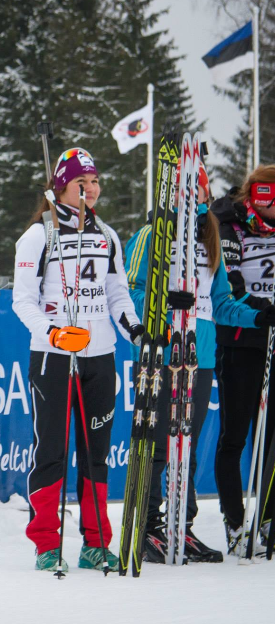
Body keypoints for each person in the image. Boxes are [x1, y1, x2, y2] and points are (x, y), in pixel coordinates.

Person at [124, 160, 274, 564]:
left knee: (184, 445)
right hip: (163, 353)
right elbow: (127, 293)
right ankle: (149, 525)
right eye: (186, 193)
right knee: (157, 445)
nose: (194, 200)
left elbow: (222, 303)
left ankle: (180, 526)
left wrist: (259, 316)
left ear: (207, 196)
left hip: (201, 356)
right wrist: (162, 302)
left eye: (200, 193)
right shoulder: (150, 235)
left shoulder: (208, 241)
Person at [13, 147, 143, 573]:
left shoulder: (107, 234)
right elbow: (23, 302)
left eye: (95, 181)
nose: (90, 190)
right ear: (61, 187)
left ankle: (95, 542)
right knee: (50, 451)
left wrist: (135, 330)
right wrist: (52, 333)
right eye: (80, 183)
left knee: (96, 453)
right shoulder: (38, 236)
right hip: (54, 358)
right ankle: (46, 543)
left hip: (99, 357)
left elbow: (117, 293)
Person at [212, 165, 275, 555]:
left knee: (270, 440)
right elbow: (229, 280)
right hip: (240, 340)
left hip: (273, 340)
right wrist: (259, 308)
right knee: (234, 436)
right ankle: (235, 523)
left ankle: (268, 521)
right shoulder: (230, 221)